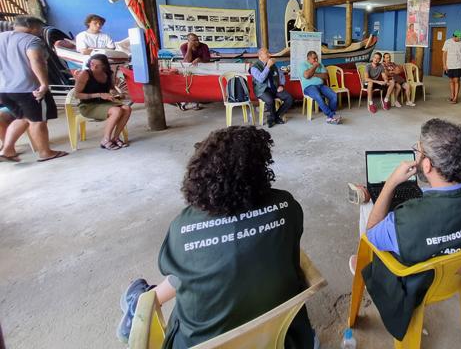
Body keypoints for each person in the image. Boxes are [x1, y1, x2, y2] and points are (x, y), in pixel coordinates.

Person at [116, 126, 317, 348]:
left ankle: (139, 301)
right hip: (278, 339)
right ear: (261, 169)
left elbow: (178, 274)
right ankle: (140, 298)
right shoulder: (286, 206)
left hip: (198, 343)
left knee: (191, 268)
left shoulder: (184, 226)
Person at [356, 119, 461, 341]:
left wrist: (390, 183)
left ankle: (358, 261)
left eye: (418, 151)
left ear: (427, 165)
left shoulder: (409, 222)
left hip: (418, 284)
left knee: (366, 207)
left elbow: (372, 234)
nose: (417, 156)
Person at [0, 16, 67, 163]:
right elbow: (36, 60)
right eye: (40, 29)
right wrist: (43, 84)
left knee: (23, 118)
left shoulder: (1, 38)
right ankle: (45, 152)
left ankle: (7, 150)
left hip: (5, 89)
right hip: (29, 89)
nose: (40, 31)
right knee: (38, 121)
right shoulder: (31, 40)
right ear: (33, 27)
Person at [73, 54, 132, 150]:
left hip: (104, 103)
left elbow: (111, 89)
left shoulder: (109, 74)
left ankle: (115, 138)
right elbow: (77, 94)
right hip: (88, 105)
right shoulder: (85, 74)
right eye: (92, 64)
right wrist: (99, 94)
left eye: (97, 65)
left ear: (104, 66)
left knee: (127, 108)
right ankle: (105, 140)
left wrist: (117, 94)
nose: (94, 67)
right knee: (117, 111)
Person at [251, 48, 294, 128]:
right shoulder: (254, 67)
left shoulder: (273, 65)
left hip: (274, 88)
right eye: (266, 53)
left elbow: (281, 75)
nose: (269, 54)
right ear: (260, 56)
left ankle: (275, 117)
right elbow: (261, 79)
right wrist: (267, 66)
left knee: (289, 98)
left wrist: (281, 85)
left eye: (268, 52)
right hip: (262, 90)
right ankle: (273, 119)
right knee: (270, 100)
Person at [301, 51, 341, 124]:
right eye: (314, 58)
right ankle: (331, 115)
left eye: (316, 58)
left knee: (333, 95)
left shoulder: (320, 64)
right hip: (309, 87)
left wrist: (314, 74)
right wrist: (315, 66)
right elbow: (307, 76)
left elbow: (326, 76)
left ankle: (330, 118)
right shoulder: (303, 64)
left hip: (321, 85)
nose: (316, 60)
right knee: (318, 96)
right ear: (308, 58)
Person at [442, 30, 461, 104]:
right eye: (458, 38)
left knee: (456, 81)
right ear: (454, 36)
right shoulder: (447, 42)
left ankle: (455, 98)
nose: (459, 39)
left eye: (460, 38)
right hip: (449, 65)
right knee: (451, 81)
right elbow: (444, 54)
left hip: (458, 65)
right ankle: (452, 96)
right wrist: (444, 65)